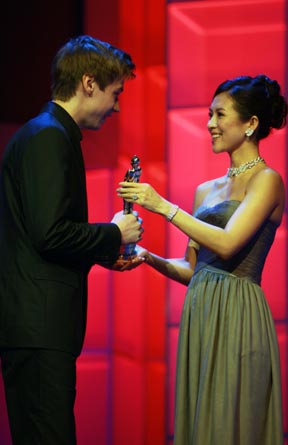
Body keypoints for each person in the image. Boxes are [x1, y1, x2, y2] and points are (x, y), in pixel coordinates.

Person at [117, 74, 288, 445]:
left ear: (251, 124)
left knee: (234, 422)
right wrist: (147, 257)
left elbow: (227, 246)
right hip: (202, 313)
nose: (210, 124)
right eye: (209, 115)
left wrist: (161, 206)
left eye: (219, 115)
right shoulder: (205, 191)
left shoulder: (267, 181)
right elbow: (194, 269)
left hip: (239, 315)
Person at [0, 35, 143, 445]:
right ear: (88, 83)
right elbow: (49, 233)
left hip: (40, 328)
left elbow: (43, 236)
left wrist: (103, 251)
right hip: (39, 328)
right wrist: (115, 232)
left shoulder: (48, 134)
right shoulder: (47, 136)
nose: (117, 106)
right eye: (115, 93)